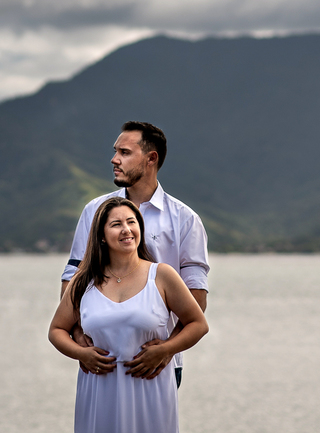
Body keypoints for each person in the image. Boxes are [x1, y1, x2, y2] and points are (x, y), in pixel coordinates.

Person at [60, 121, 210, 387]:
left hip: (157, 366)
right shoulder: (94, 210)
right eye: (115, 151)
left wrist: (168, 349)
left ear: (151, 158)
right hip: (100, 361)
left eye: (125, 153)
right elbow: (74, 277)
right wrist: (78, 336)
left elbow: (196, 295)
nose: (114, 159)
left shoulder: (185, 220)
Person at [49, 197, 208, 433]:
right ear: (102, 236)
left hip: (151, 389)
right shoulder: (83, 281)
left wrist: (166, 350)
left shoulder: (162, 275)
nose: (126, 229)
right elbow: (56, 330)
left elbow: (198, 324)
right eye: (116, 224)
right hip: (98, 391)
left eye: (131, 222)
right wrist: (80, 353)